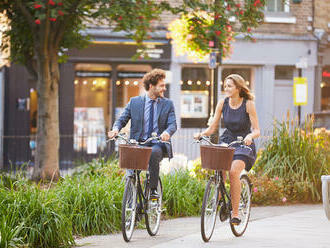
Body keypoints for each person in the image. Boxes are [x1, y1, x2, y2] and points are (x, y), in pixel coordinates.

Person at [195, 74, 260, 225]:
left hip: (243, 143)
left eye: (229, 86)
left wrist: (250, 136)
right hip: (227, 139)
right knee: (219, 170)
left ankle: (235, 213)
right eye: (225, 86)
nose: (226, 88)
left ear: (238, 87)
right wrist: (201, 134)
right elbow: (212, 128)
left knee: (233, 171)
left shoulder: (248, 104)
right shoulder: (222, 103)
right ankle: (219, 200)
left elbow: (257, 130)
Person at [108, 69, 177, 199]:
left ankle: (152, 189)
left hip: (157, 143)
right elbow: (122, 119)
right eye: (161, 85)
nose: (164, 88)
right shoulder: (135, 102)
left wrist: (167, 132)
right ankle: (131, 193)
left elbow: (173, 124)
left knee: (154, 153)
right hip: (138, 143)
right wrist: (116, 129)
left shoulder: (168, 104)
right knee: (130, 166)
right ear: (151, 86)